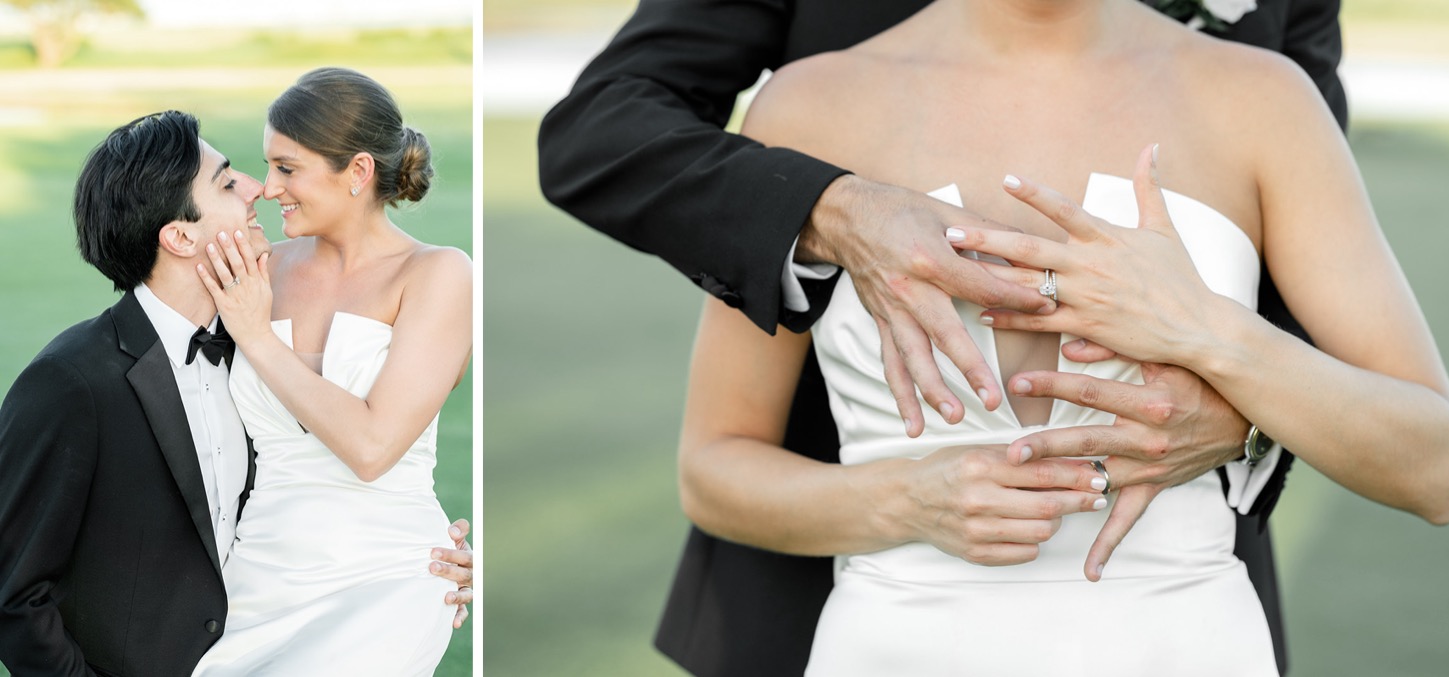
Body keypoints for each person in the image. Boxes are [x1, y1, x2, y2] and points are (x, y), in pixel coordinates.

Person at [539, 0, 1343, 674]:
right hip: (851, 531)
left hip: (1178, 586)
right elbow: (601, 127)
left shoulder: (1260, 98)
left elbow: (1305, 261)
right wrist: (834, 210)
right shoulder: (821, 102)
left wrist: (1251, 415)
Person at [0, 110, 472, 677]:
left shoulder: (249, 348)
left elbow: (313, 471)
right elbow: (12, 593)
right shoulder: (72, 380)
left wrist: (416, 551)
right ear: (179, 237)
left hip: (275, 631)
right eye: (227, 182)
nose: (257, 189)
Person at [187, 67, 473, 675]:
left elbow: (372, 448)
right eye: (268, 167)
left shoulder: (439, 275)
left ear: (359, 172)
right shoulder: (260, 267)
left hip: (385, 581)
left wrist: (258, 337)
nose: (267, 188)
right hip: (255, 579)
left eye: (288, 169)